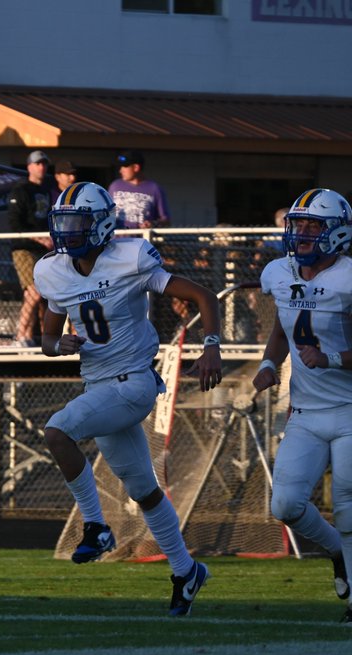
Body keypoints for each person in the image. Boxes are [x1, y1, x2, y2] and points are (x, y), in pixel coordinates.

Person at [35, 181, 222, 617]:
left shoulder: (130, 257)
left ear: (101, 224)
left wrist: (210, 344)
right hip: (100, 386)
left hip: (134, 383)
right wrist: (56, 346)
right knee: (144, 491)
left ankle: (97, 527)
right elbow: (47, 335)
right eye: (63, 223)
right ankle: (186, 570)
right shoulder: (53, 271)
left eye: (77, 223)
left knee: (57, 431)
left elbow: (201, 295)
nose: (68, 232)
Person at [251, 188, 352, 622]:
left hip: (349, 410)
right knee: (285, 505)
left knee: (348, 506)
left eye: (314, 226)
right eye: (299, 225)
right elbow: (283, 328)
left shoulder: (349, 277)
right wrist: (270, 363)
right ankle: (337, 553)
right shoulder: (279, 272)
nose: (303, 234)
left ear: (337, 233)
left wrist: (330, 359)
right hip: (306, 414)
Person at [8, 150, 56, 347]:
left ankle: (26, 336)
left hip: (43, 251)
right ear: (29, 167)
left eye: (44, 164)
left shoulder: (46, 190)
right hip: (24, 248)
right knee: (34, 292)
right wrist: (39, 238)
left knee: (33, 295)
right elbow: (14, 224)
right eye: (37, 164)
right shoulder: (20, 191)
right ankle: (19, 335)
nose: (41, 167)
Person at [108, 150, 170, 230]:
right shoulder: (115, 186)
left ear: (136, 168)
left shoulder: (154, 188)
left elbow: (166, 220)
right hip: (117, 241)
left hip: (142, 241)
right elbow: (106, 214)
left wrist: (152, 224)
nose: (120, 170)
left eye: (125, 167)